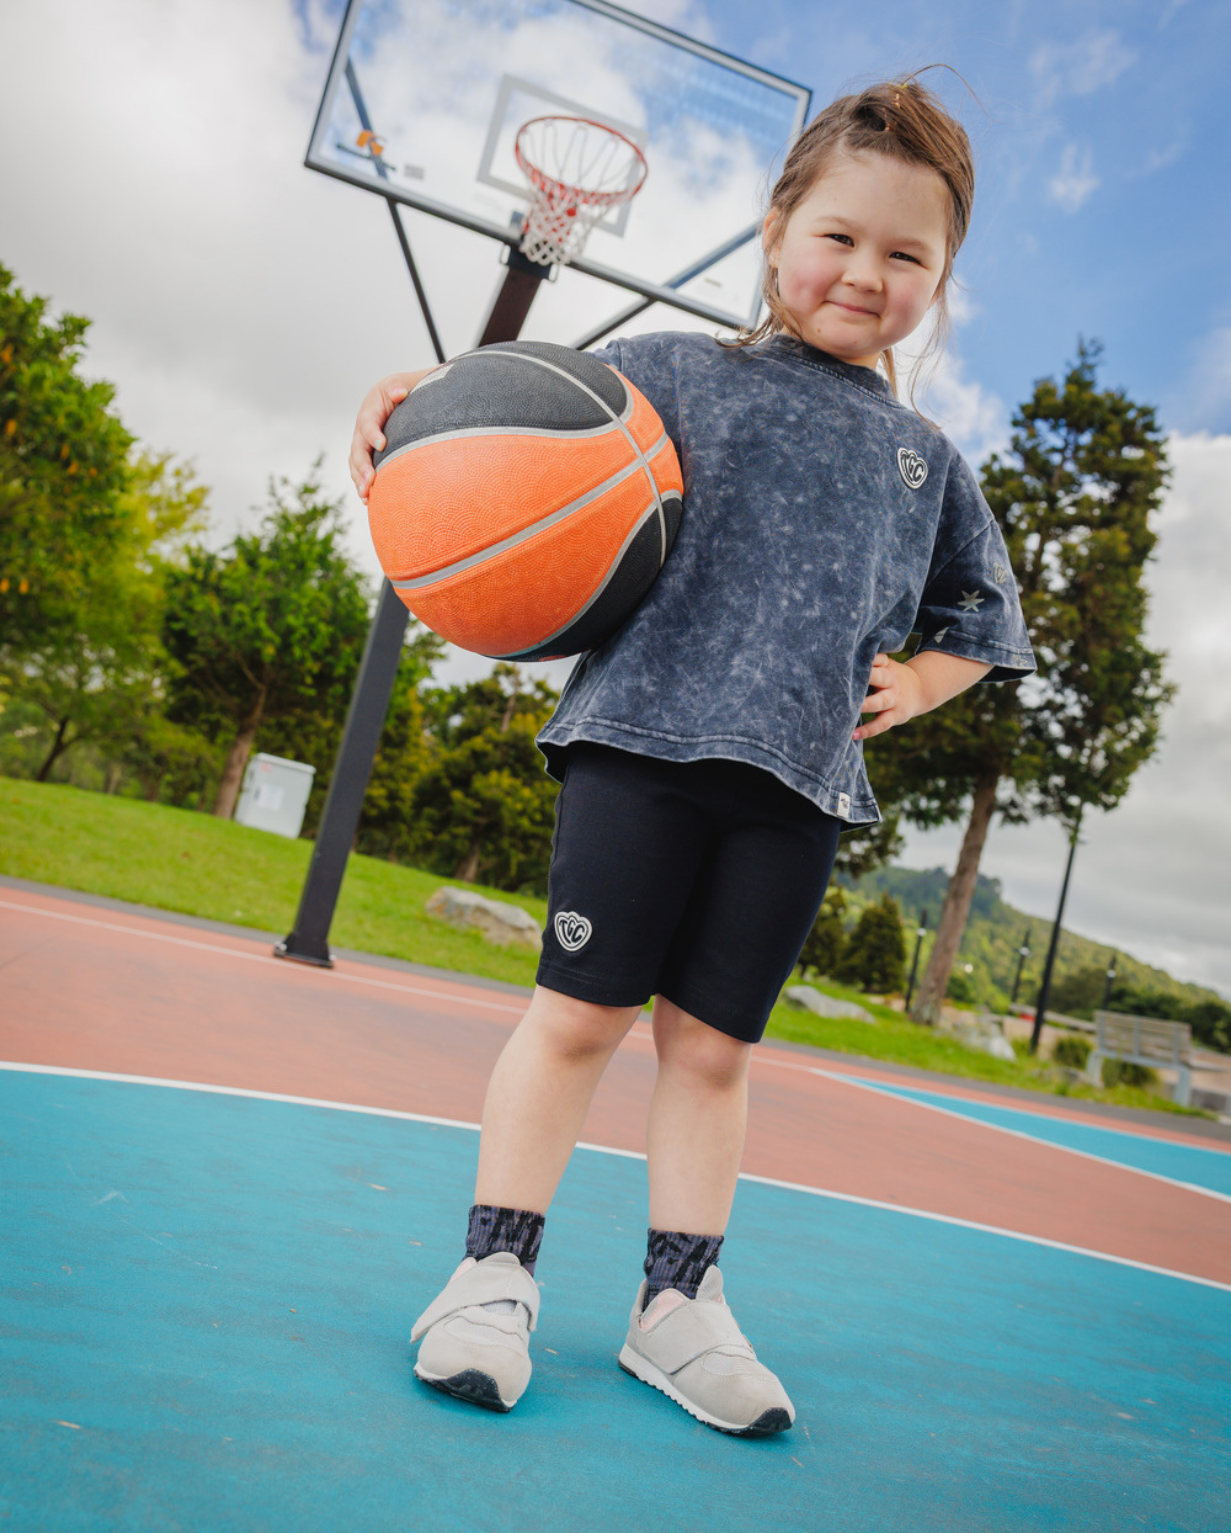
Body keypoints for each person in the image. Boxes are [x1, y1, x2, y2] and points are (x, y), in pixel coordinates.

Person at [348, 78, 1035, 1437]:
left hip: (795, 784)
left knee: (712, 1054)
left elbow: (982, 614)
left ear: (940, 282)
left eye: (907, 257)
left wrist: (925, 678)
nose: (865, 273)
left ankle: (677, 1308)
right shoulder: (668, 371)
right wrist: (411, 402)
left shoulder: (923, 457)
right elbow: (500, 423)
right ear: (780, 227)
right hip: (637, 745)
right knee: (579, 1018)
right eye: (840, 236)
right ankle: (492, 1274)